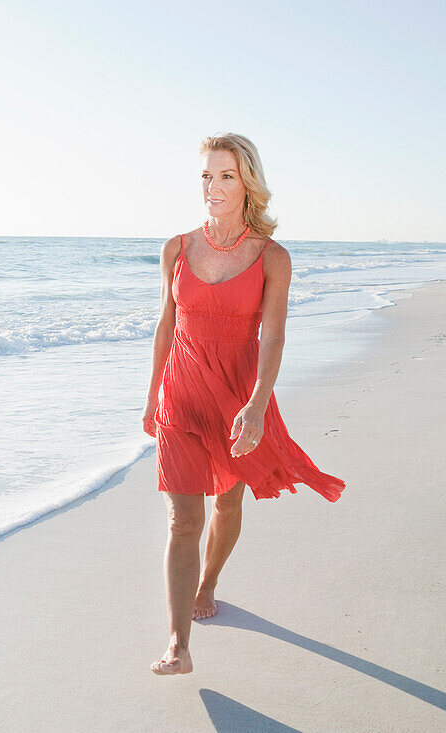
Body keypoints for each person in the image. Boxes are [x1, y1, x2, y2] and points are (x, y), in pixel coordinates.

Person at [141, 133, 344, 675]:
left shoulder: (272, 257)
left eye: (225, 175)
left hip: (236, 396)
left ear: (247, 182)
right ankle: (177, 645)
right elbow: (166, 326)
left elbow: (273, 339)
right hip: (181, 393)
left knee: (227, 504)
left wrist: (257, 405)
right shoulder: (177, 248)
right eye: (206, 175)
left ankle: (209, 582)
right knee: (183, 519)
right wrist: (150, 396)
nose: (213, 186)